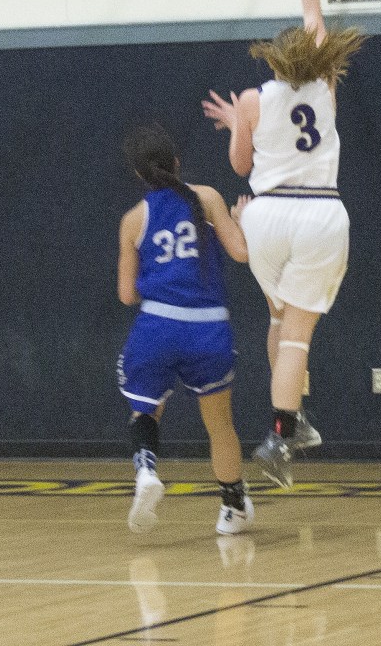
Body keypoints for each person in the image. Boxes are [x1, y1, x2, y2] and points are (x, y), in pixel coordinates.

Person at [202, 0, 364, 490]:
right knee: (298, 335)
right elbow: (314, 12)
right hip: (319, 210)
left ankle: (293, 419)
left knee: (277, 316)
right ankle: (281, 430)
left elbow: (241, 167)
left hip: (266, 213)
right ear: (316, 59)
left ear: (274, 58)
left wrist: (237, 124)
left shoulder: (251, 97)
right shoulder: (325, 85)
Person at [117, 123, 254, 536]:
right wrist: (241, 219)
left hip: (158, 323)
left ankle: (146, 471)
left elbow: (126, 295)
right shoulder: (207, 197)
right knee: (219, 424)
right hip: (208, 328)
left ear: (139, 174)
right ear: (177, 163)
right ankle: (232, 508)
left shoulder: (133, 219)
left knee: (145, 406)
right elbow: (242, 253)